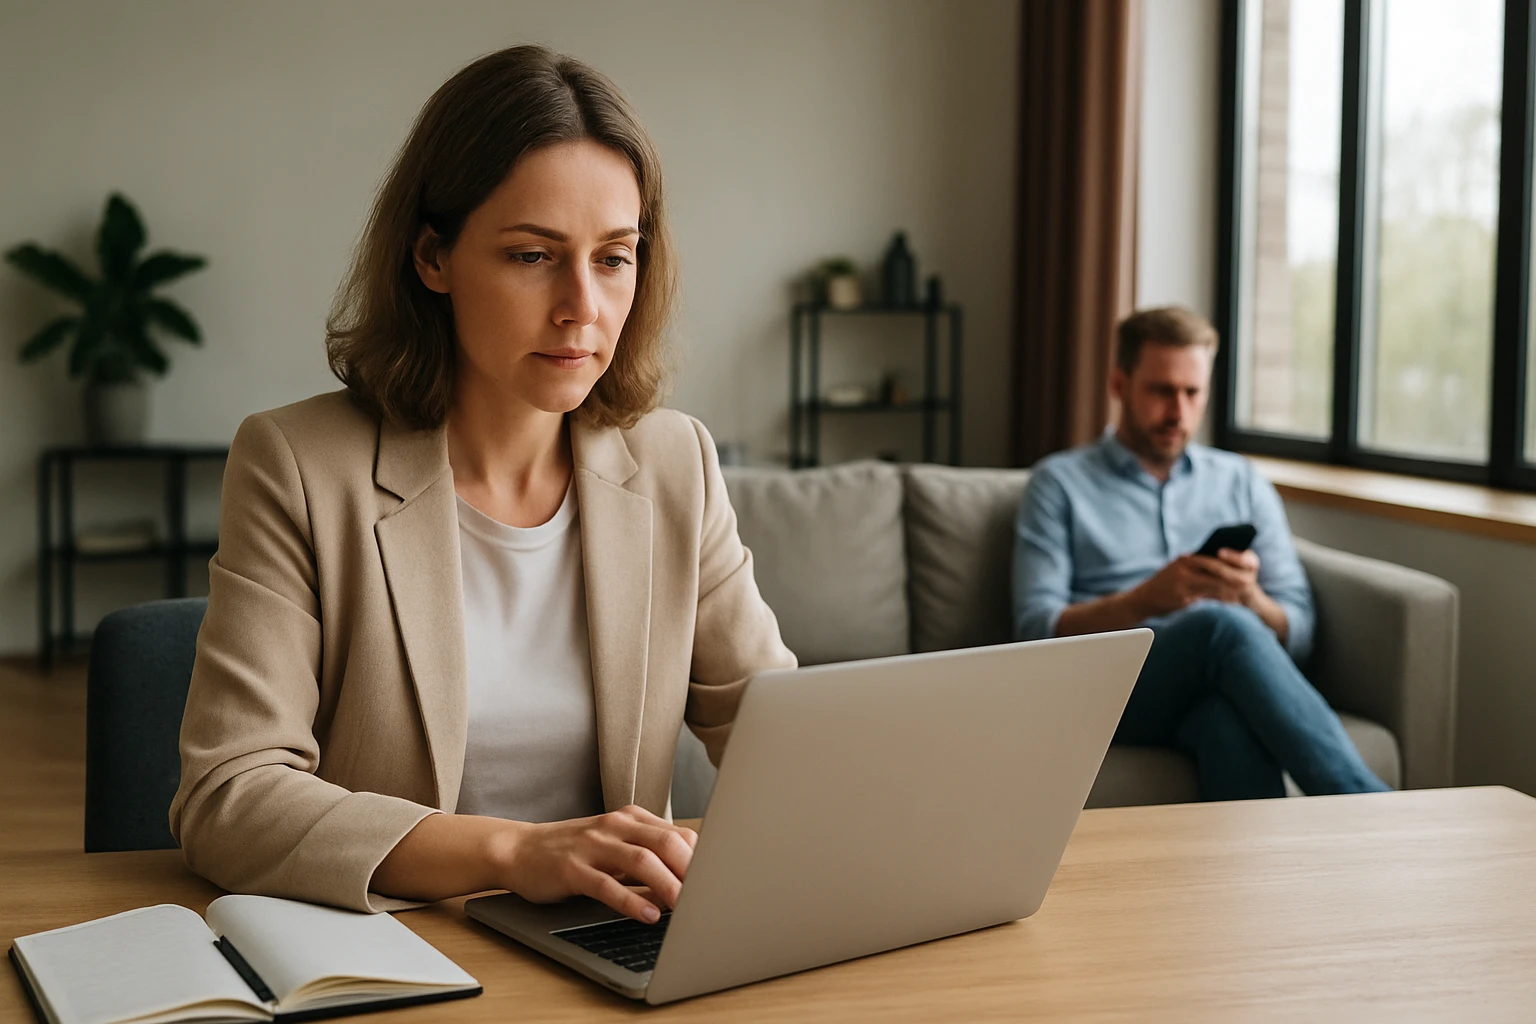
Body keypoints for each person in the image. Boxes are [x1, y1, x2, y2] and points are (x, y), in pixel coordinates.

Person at [170, 45, 796, 923]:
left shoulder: (675, 462)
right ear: (434, 257)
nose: (582, 304)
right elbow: (228, 798)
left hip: (618, 947)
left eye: (614, 258)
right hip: (407, 951)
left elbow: (785, 740)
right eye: (534, 256)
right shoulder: (298, 464)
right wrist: (517, 850)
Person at [1012, 306, 1389, 801]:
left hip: (1213, 680)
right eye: (1161, 391)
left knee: (1225, 721)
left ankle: (1261, 881)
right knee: (1219, 628)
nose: (1179, 412)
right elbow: (1034, 630)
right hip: (1105, 692)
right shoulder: (1058, 484)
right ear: (1119, 385)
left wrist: (1252, 598)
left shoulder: (1241, 482)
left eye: (1193, 394)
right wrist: (1146, 599)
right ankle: (1370, 805)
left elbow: (1298, 629)